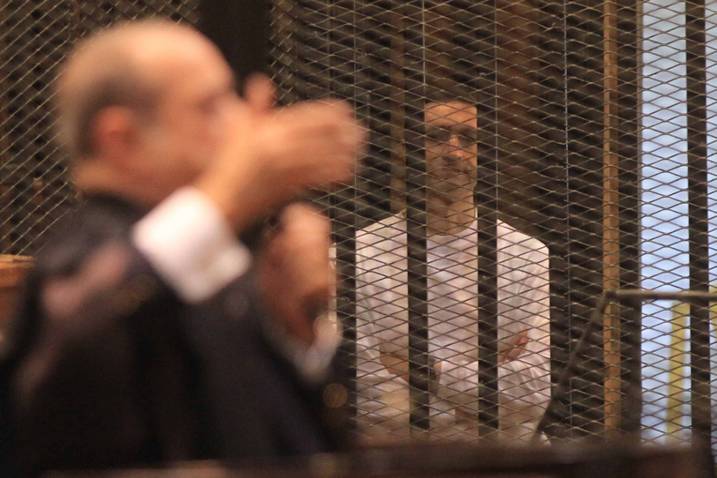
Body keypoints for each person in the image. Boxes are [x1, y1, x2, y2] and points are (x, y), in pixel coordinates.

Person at [0, 20, 365, 476]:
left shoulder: (209, 267)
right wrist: (227, 198)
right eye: (210, 106)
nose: (241, 126)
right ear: (122, 139)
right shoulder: (81, 257)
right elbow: (78, 344)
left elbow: (292, 449)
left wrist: (299, 333)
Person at [354, 98, 550, 442]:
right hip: (407, 461)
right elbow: (370, 400)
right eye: (436, 136)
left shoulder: (527, 256)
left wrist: (423, 373)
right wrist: (481, 398)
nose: (455, 152)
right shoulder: (360, 255)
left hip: (506, 461)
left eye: (468, 139)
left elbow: (531, 395)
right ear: (410, 151)